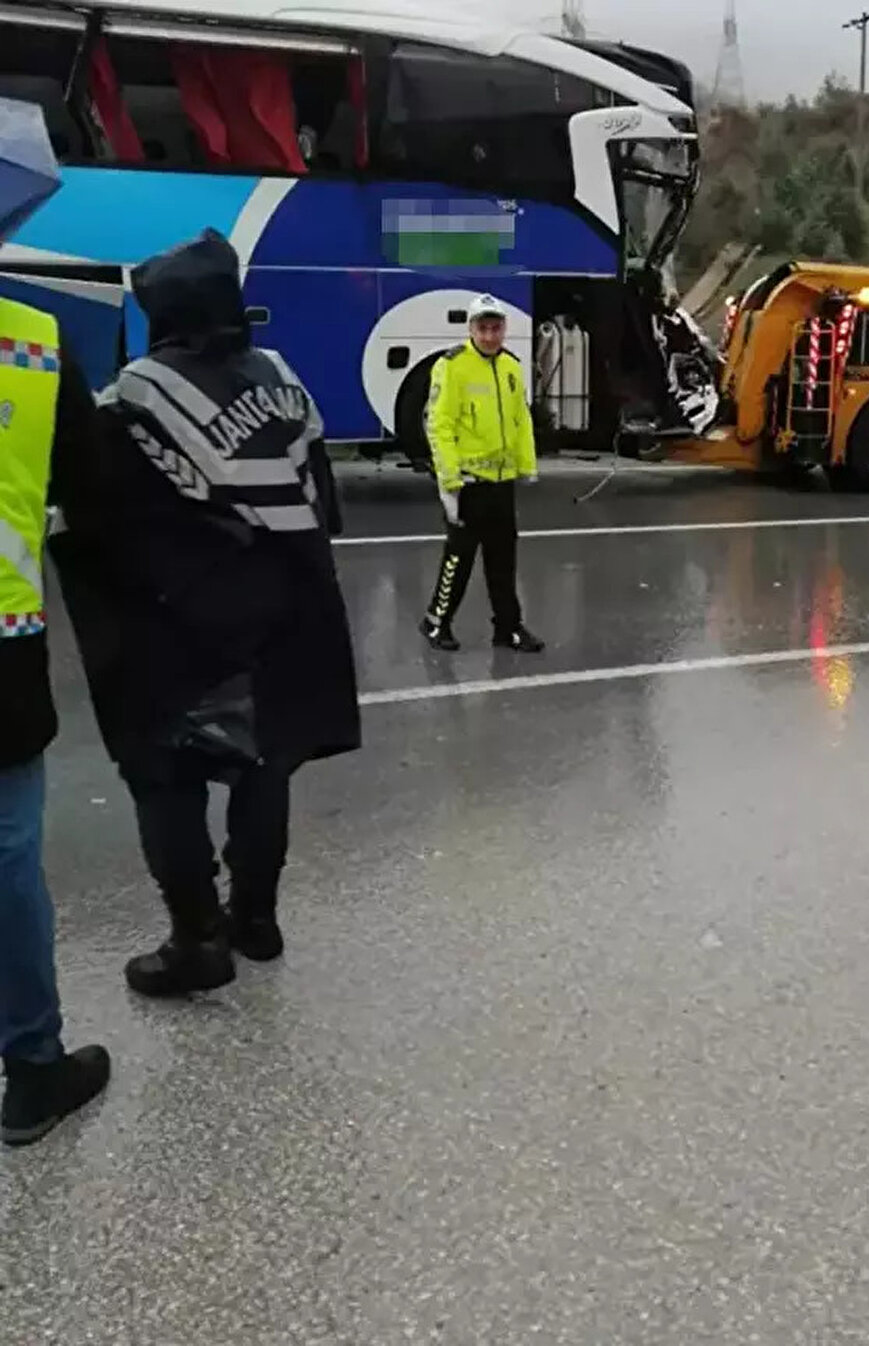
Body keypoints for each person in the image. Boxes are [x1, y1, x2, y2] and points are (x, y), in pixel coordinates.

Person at [50, 229, 361, 999]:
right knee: (264, 760)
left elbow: (97, 512)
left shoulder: (137, 394)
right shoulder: (284, 380)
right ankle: (256, 919)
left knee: (165, 777)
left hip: (180, 626)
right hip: (286, 613)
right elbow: (324, 505)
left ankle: (196, 942)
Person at [0, 97, 110, 1147]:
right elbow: (91, 490)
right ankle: (33, 1068)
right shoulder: (34, 341)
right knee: (7, 862)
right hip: (3, 650)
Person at [420, 294, 544, 653]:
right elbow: (439, 425)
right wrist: (449, 483)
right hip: (468, 482)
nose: (490, 336)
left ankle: (508, 628)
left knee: (503, 561)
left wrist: (527, 466)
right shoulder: (452, 366)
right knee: (458, 559)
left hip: (501, 483)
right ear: (471, 329)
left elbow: (521, 421)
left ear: (504, 329)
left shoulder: (510, 366)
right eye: (483, 328)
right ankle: (436, 622)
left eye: (496, 328)